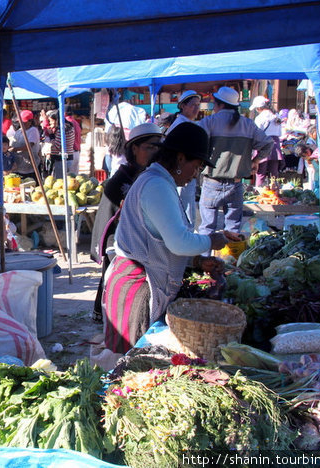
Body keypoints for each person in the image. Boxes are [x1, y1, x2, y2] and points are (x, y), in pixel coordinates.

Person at [103, 122, 237, 353]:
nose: (196, 175)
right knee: (134, 371)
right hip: (138, 287)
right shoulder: (156, 185)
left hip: (139, 281)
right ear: (181, 158)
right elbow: (179, 242)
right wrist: (212, 241)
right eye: (196, 167)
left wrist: (195, 262)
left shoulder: (159, 182)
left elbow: (162, 241)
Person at [90, 123, 162, 323]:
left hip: (128, 237)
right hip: (115, 237)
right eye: (150, 147)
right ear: (134, 148)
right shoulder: (122, 179)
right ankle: (106, 318)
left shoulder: (144, 174)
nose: (155, 152)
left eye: (158, 147)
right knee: (111, 278)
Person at [198, 87, 273, 237]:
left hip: (212, 181)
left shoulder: (209, 122)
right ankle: (230, 260)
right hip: (236, 182)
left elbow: (194, 144)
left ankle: (205, 259)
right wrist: (255, 161)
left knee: (207, 229)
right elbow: (268, 144)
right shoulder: (248, 124)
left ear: (220, 104)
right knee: (233, 229)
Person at [168, 90, 202, 224]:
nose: (196, 109)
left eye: (198, 105)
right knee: (184, 207)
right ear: (183, 106)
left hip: (187, 172)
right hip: (181, 172)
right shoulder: (181, 125)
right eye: (193, 105)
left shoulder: (187, 123)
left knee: (186, 206)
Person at [250, 96, 283, 186]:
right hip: (275, 146)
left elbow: (256, 133)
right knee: (274, 174)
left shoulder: (260, 118)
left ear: (259, 108)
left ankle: (258, 192)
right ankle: (275, 193)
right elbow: (280, 133)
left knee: (260, 173)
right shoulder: (277, 116)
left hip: (263, 145)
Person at [43, 110, 75, 178]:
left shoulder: (62, 129)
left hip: (61, 160)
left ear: (57, 120)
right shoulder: (70, 127)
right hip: (69, 157)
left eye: (51, 121)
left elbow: (58, 146)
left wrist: (51, 135)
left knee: (60, 181)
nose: (50, 123)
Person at [10, 110, 41, 179]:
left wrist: (15, 149)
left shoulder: (33, 131)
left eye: (24, 122)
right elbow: (14, 143)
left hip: (29, 165)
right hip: (19, 164)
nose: (21, 124)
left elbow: (29, 146)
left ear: (30, 122)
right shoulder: (19, 131)